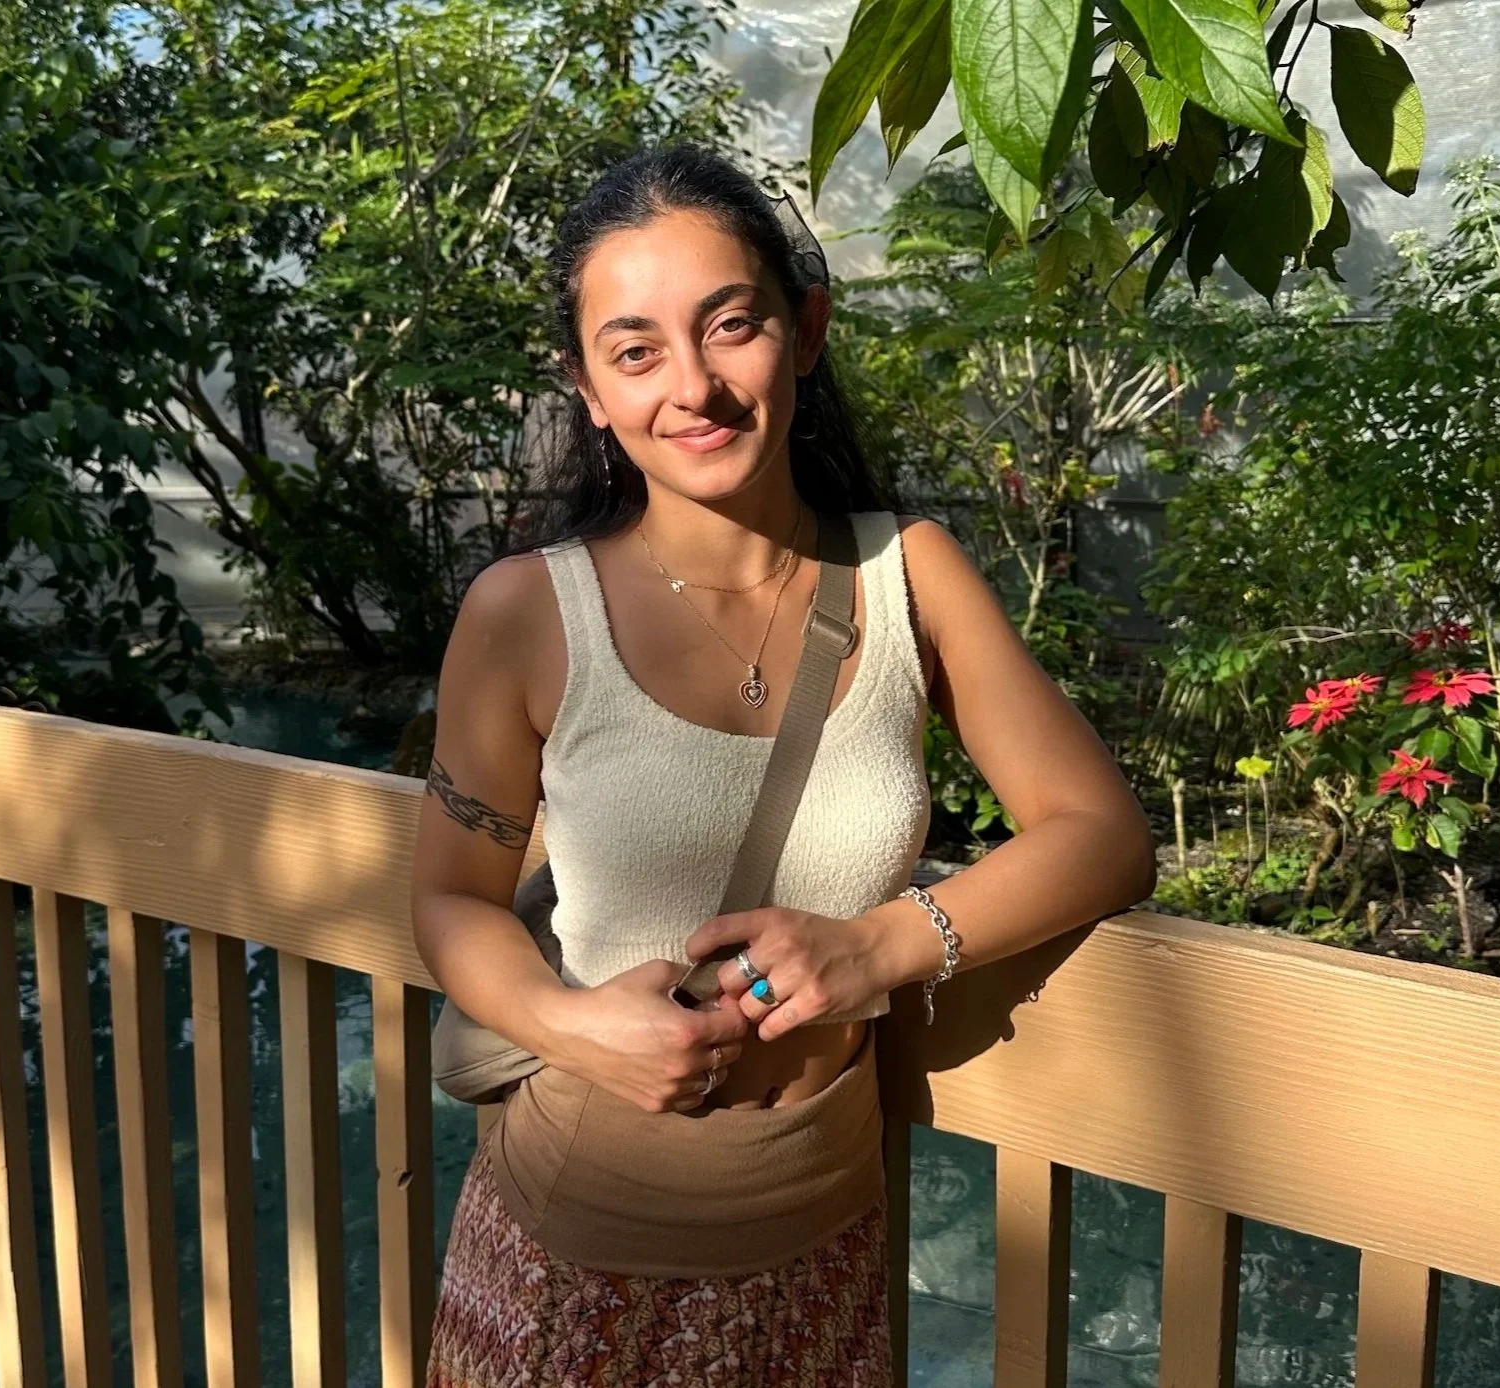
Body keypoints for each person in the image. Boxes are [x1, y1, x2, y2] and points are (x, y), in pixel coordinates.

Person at [409, 141, 1157, 1386]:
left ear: (804, 330)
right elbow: (449, 899)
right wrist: (574, 1025)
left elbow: (1097, 829)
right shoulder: (525, 613)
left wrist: (876, 945)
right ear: (589, 388)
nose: (692, 385)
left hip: (822, 1256)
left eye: (731, 325)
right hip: (563, 1257)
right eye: (635, 350)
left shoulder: (909, 574)